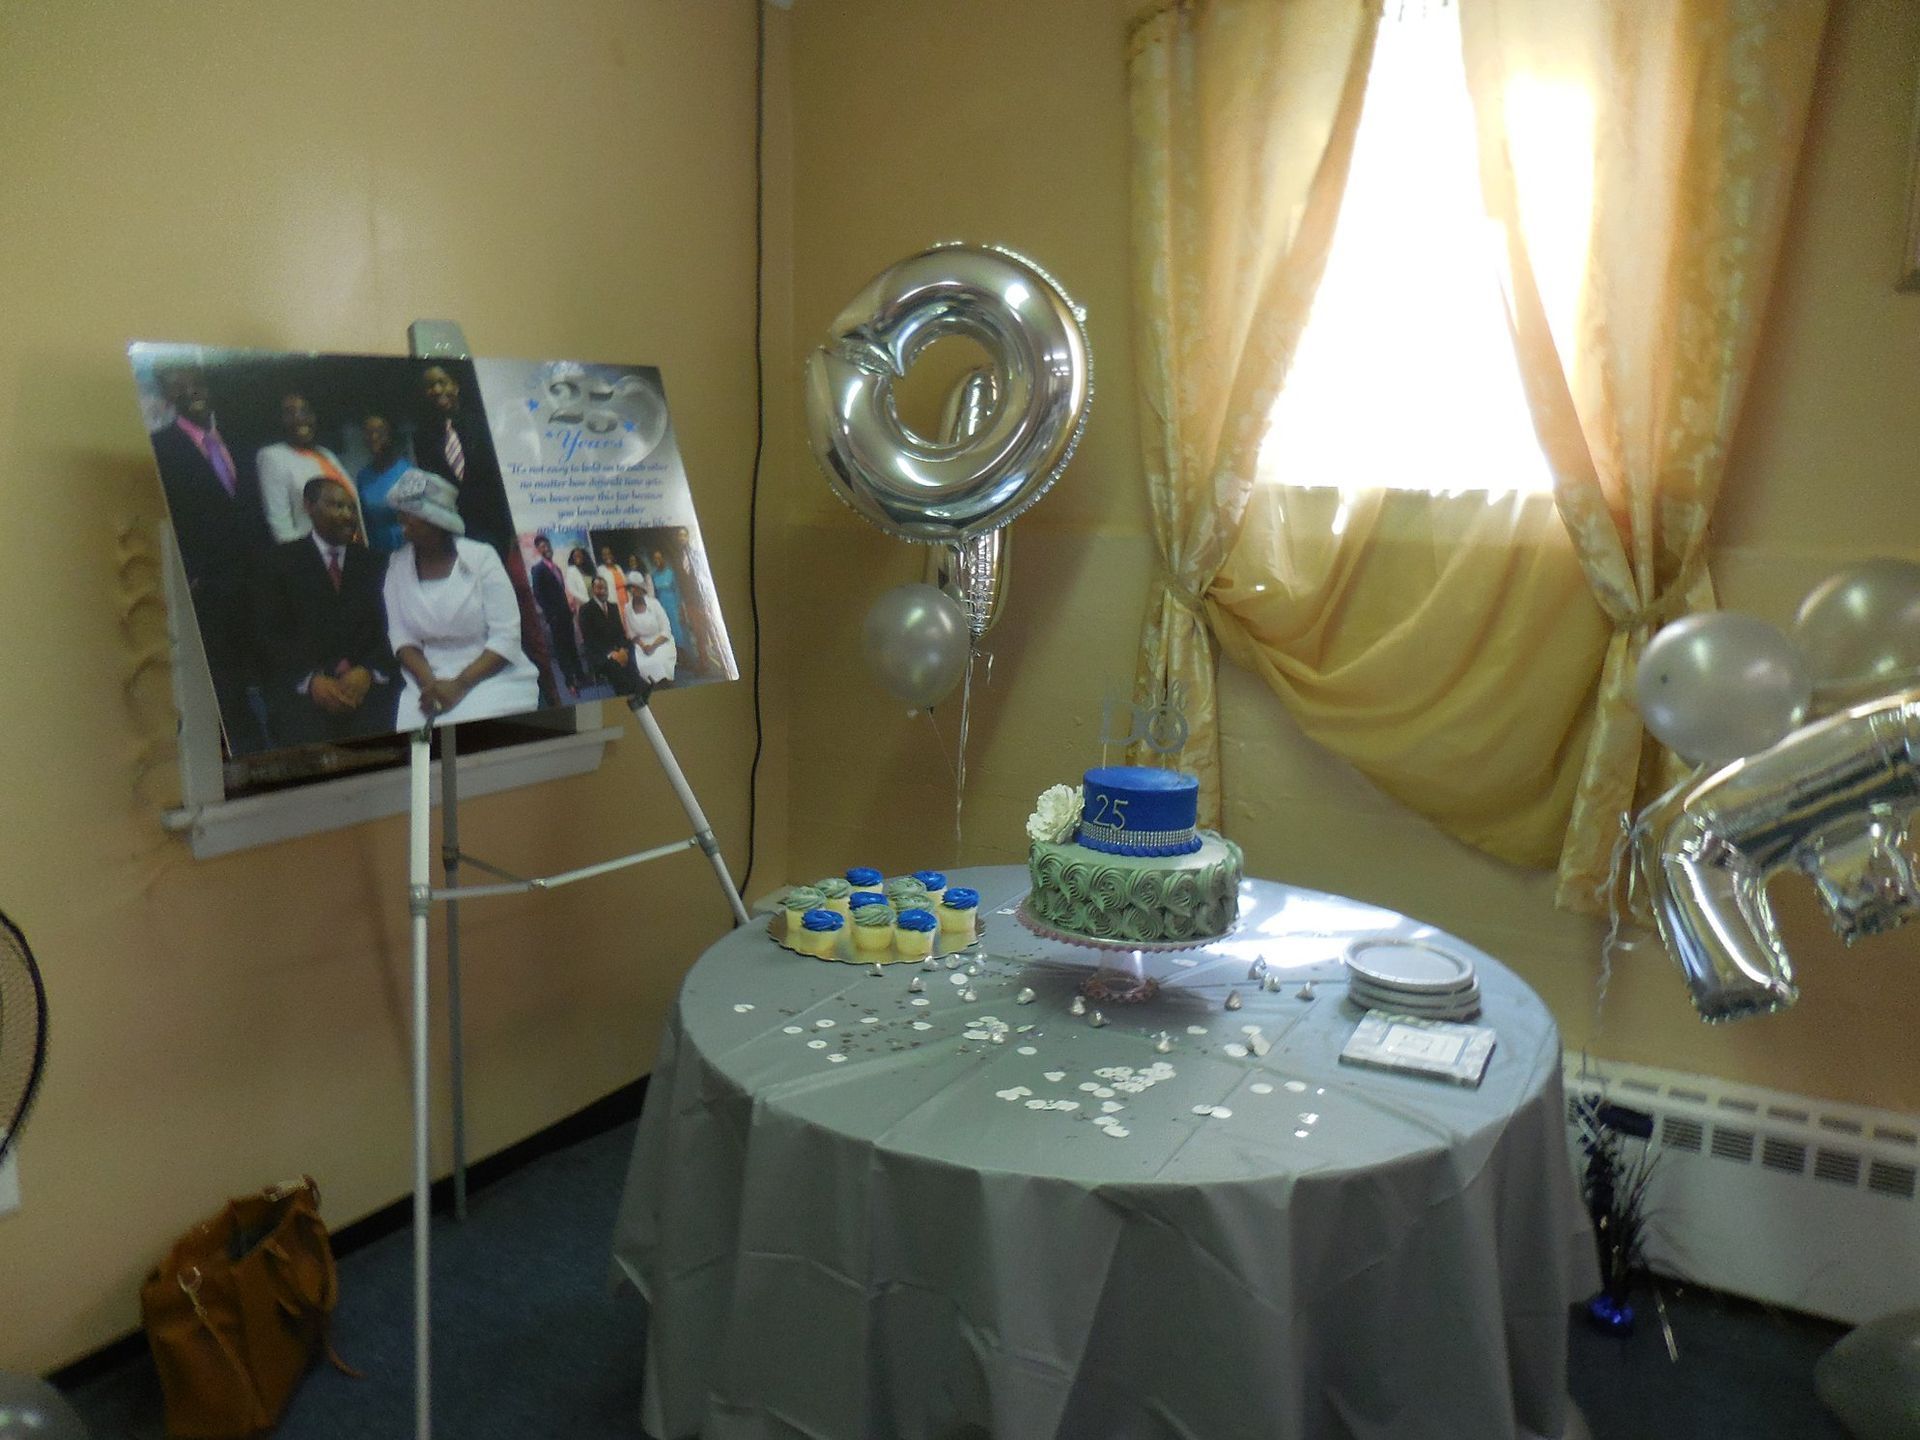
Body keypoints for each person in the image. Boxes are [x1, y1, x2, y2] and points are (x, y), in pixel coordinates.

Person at [411, 362, 556, 705]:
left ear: (455, 386)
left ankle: (549, 691)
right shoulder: (423, 437)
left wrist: (511, 533)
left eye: (442, 382)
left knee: (523, 608)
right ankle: (504, 691)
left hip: (502, 532)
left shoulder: (487, 421)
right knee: (485, 614)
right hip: (461, 539)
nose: (437, 391)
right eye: (429, 386)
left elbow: (508, 476)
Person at [148, 363, 269, 750]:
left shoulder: (242, 439)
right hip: (211, 586)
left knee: (269, 664)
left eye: (197, 383)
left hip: (259, 577)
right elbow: (166, 518)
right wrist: (193, 576)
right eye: (180, 388)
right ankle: (249, 750)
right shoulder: (161, 448)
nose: (193, 392)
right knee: (228, 678)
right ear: (171, 399)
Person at [381, 470, 540, 729]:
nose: (401, 520)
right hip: (426, 680)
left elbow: (506, 636)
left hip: (491, 676)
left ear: (434, 519)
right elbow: (401, 637)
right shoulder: (396, 566)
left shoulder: (481, 557)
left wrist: (460, 685)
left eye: (409, 514)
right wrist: (431, 685)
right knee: (423, 746)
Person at [255, 477, 396, 743]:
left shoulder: (376, 564)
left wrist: (368, 670)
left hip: (368, 688)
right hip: (304, 692)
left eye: (351, 508)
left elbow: (391, 627)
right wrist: (311, 681)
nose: (347, 515)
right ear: (309, 506)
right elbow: (270, 636)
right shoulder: (279, 564)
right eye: (336, 505)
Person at [257, 392, 362, 544]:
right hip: (317, 559)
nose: (299, 418)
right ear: (279, 419)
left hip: (352, 551)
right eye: (290, 413)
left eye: (305, 411)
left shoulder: (326, 454)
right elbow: (281, 526)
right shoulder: (272, 457)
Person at [527, 533, 586, 693]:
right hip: (555, 617)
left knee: (571, 646)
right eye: (542, 547)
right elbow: (538, 595)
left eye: (547, 545)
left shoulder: (557, 568)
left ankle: (581, 676)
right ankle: (569, 680)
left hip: (566, 614)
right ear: (539, 551)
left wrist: (569, 608)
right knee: (561, 650)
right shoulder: (538, 569)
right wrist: (551, 614)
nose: (546, 548)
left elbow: (561, 592)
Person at [354, 413, 411, 558]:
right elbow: (364, 521)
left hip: (409, 549)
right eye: (368, 433)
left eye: (380, 432)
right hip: (378, 553)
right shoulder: (363, 477)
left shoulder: (407, 472)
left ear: (391, 435)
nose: (374, 437)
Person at [577, 575, 637, 697]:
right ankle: (625, 696)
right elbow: (590, 641)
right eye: (599, 588)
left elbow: (620, 633)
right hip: (600, 654)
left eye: (605, 588)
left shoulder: (613, 607)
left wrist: (622, 650)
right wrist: (612, 654)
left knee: (631, 650)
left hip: (617, 649)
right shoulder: (585, 610)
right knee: (617, 670)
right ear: (593, 590)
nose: (603, 591)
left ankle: (637, 689)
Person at [622, 581, 677, 691]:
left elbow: (666, 629)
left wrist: (653, 646)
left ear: (642, 590)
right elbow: (632, 634)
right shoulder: (627, 608)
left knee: (660, 661)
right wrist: (644, 646)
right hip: (642, 644)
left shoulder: (655, 604)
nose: (633, 591)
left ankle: (666, 684)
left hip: (660, 641)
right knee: (645, 665)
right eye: (630, 589)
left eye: (636, 588)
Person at [595, 544, 629, 612]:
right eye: (604, 555)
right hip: (613, 601)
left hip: (625, 599)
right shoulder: (600, 570)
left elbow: (626, 583)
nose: (607, 556)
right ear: (601, 557)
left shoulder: (618, 567)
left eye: (609, 553)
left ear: (612, 555)